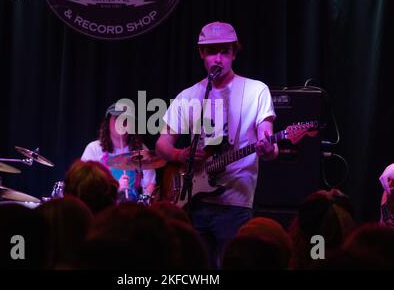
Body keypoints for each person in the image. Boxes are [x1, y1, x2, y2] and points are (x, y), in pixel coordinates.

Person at [156, 21, 278, 268]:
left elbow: (268, 138)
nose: (218, 58)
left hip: (235, 202)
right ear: (202, 54)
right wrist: (181, 154)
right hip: (193, 202)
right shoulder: (188, 95)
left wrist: (269, 148)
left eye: (225, 51)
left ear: (234, 53)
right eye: (212, 51)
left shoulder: (256, 91)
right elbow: (161, 145)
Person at [81, 102, 156, 203]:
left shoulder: (141, 150)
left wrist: (144, 201)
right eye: (117, 119)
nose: (122, 123)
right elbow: (84, 184)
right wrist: (115, 189)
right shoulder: (93, 149)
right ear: (108, 122)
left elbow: (150, 183)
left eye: (126, 120)